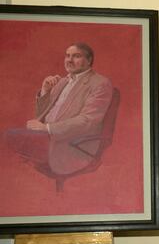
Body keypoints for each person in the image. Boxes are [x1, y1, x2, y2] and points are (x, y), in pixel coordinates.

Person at [5, 42, 113, 176]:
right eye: (67, 56)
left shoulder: (100, 83)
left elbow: (88, 121)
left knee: (12, 138)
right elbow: (41, 115)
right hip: (45, 136)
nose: (69, 60)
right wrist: (45, 90)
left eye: (76, 56)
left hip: (70, 142)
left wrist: (47, 128)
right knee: (10, 137)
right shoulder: (63, 81)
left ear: (89, 60)